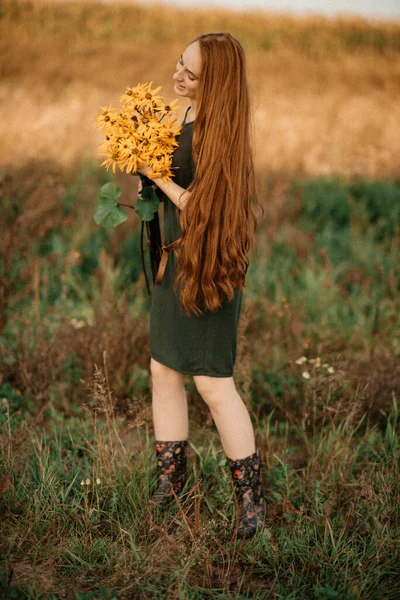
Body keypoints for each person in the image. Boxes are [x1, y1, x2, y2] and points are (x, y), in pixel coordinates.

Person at [136, 32, 265, 541]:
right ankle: (173, 487)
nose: (177, 76)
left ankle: (251, 507)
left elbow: (204, 208)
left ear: (216, 83)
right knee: (163, 369)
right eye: (178, 64)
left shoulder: (221, 130)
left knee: (213, 382)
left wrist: (157, 173)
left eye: (190, 73)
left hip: (207, 267)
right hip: (174, 261)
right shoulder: (183, 115)